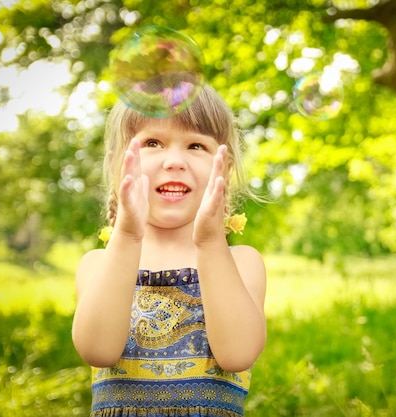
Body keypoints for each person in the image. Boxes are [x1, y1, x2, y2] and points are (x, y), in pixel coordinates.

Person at [72, 84, 267, 417]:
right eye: (152, 143)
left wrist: (209, 243)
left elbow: (237, 355)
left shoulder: (242, 262)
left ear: (226, 169)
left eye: (195, 145)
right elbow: (97, 350)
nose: (175, 160)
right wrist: (128, 236)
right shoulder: (98, 264)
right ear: (118, 166)